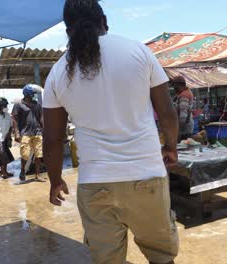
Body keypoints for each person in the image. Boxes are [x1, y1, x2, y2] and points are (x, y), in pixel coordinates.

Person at [42, 1, 179, 263]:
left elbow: (53, 139)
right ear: (104, 21)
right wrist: (170, 147)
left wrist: (55, 180)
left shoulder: (58, 72)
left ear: (68, 30)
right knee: (162, 258)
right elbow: (167, 113)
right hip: (147, 176)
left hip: (95, 183)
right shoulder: (139, 51)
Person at [12, 84, 44, 182]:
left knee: (39, 154)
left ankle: (37, 175)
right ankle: (22, 170)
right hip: (25, 133)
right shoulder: (18, 105)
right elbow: (14, 119)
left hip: (37, 132)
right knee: (25, 154)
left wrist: (45, 130)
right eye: (32, 94)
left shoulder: (37, 105)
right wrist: (16, 133)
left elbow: (41, 118)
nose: (34, 95)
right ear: (27, 94)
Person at [172, 75, 194, 140]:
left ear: (179, 85)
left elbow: (183, 116)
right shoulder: (185, 93)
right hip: (187, 126)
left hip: (184, 129)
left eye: (174, 85)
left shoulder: (184, 95)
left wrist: (178, 130)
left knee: (182, 147)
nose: (173, 87)